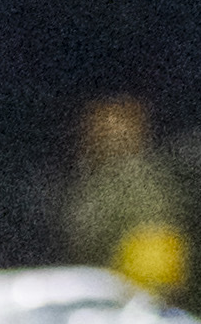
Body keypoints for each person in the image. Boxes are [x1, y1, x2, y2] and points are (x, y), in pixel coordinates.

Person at [64, 96, 191, 300]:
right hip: (98, 290)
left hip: (128, 300)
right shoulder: (94, 176)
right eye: (99, 121)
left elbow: (156, 251)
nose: (107, 131)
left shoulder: (141, 182)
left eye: (118, 121)